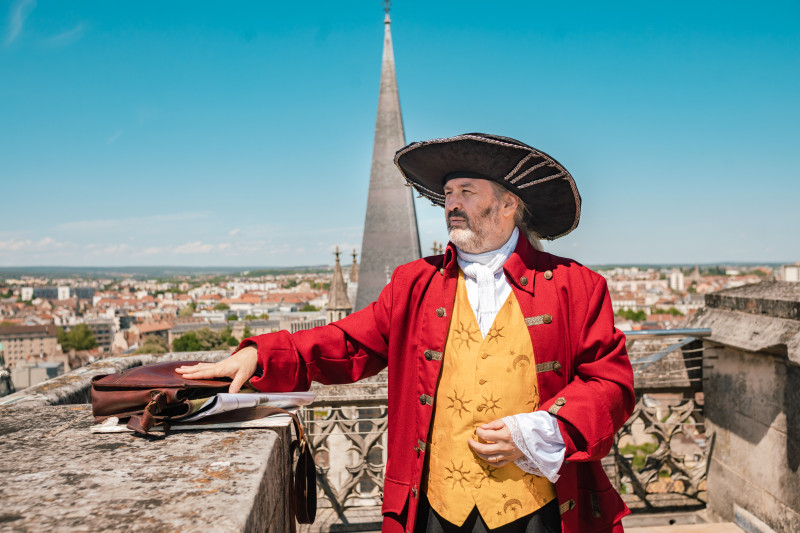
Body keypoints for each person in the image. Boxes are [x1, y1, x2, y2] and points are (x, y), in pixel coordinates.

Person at [177, 133, 635, 533]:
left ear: (509, 203)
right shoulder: (415, 283)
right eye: (448, 193)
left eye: (467, 192)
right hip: (436, 507)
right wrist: (262, 355)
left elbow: (610, 385)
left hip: (539, 510)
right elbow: (349, 342)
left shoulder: (578, 286)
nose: (451, 204)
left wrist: (542, 428)